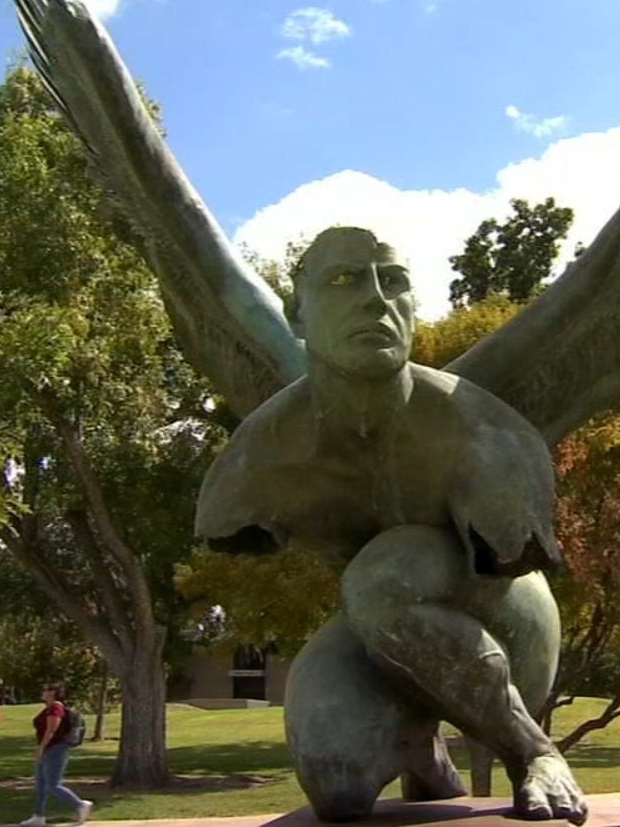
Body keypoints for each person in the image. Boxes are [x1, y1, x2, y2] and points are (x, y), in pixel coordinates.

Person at [197, 227, 584, 823]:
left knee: (384, 576)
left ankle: (533, 752)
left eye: (394, 281)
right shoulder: (271, 441)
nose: (376, 299)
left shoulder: (471, 419)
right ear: (298, 316)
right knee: (336, 788)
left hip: (505, 618)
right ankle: (424, 758)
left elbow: (504, 559)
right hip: (381, 634)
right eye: (344, 280)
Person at [21, 683, 92, 827]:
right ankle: (38, 816)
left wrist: (41, 748)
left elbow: (51, 730)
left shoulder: (56, 707)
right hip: (48, 749)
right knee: (40, 785)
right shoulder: (49, 708)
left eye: (46, 690)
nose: (43, 692)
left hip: (56, 749)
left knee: (52, 786)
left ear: (53, 692)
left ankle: (80, 804)